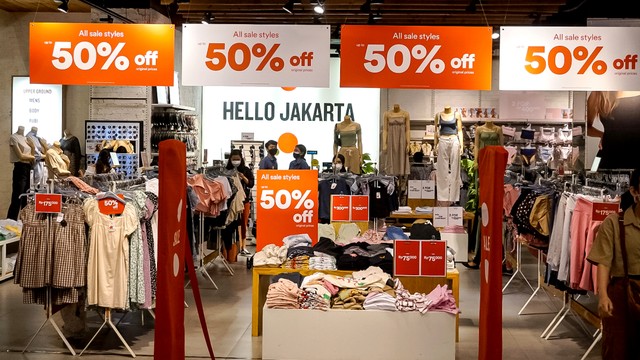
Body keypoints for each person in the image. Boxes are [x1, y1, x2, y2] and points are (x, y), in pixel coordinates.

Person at [587, 168, 640, 359]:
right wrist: (603, 296)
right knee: (618, 350)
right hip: (621, 293)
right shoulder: (614, 223)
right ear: (635, 192)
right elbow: (604, 261)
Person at [587, 91, 640, 170]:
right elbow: (585, 127)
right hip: (607, 156)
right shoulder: (598, 93)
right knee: (593, 174)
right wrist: (602, 135)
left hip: (636, 156)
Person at [226, 150, 255, 256]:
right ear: (230, 159)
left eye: (237, 159)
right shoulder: (227, 170)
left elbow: (251, 184)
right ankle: (229, 247)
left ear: (241, 159)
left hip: (244, 200)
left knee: (243, 223)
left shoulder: (246, 170)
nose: (235, 161)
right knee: (230, 223)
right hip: (229, 201)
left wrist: (243, 177)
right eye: (233, 159)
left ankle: (243, 246)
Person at [381, 104, 410, 176]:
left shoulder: (405, 114)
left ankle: (400, 180)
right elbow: (385, 130)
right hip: (391, 139)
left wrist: (408, 143)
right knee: (390, 158)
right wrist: (384, 143)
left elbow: (408, 130)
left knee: (401, 157)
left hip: (402, 139)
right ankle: (392, 180)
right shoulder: (387, 114)